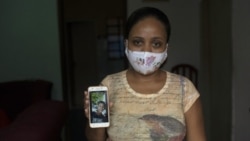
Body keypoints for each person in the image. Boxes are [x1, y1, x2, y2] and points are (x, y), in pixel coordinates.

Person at [84, 7, 206, 141]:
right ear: (126, 44)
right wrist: (95, 117)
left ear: (166, 48)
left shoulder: (185, 89)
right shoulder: (109, 85)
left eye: (156, 43)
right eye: (137, 42)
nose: (146, 51)